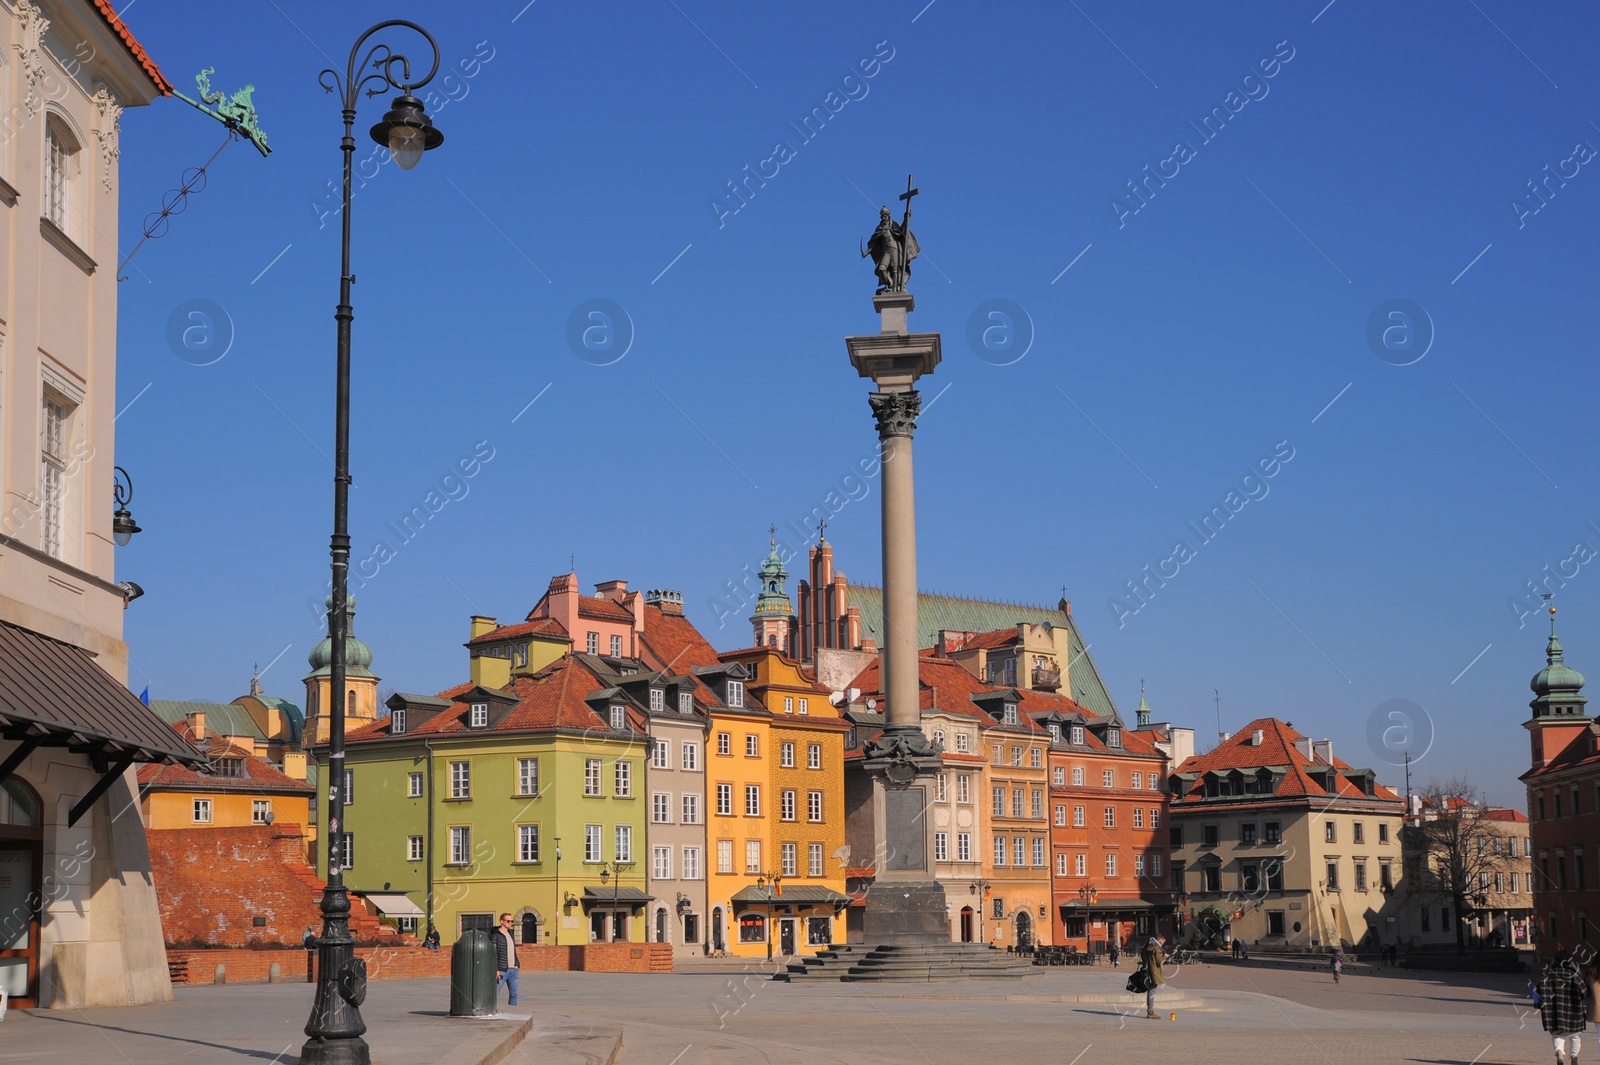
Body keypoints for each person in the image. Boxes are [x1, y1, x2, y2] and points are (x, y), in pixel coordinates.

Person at [1541, 950, 1589, 1065]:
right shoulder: (1574, 976)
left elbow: (1539, 992)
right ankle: (1574, 1056)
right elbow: (1584, 993)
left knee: (1558, 1035)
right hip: (1574, 1011)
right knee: (1575, 1037)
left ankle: (1559, 1053)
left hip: (1554, 1012)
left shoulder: (1548, 975)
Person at [493, 913, 520, 1009]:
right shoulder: (496, 935)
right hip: (502, 969)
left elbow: (513, 950)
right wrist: (495, 969)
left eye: (511, 921)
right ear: (502, 921)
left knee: (514, 994)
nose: (510, 923)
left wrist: (517, 964)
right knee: (494, 993)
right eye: (508, 921)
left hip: (513, 969)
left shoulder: (510, 934)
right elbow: (493, 953)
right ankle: (490, 1010)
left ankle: (513, 1012)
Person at [1140, 934, 1166, 1020]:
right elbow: (1159, 961)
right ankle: (1150, 1012)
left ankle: (1150, 1011)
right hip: (1154, 972)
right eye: (1162, 942)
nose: (1163, 944)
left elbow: (1143, 956)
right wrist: (1165, 957)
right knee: (1152, 991)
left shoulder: (1147, 945)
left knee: (1150, 991)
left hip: (1147, 970)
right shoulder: (1156, 948)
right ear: (1159, 940)